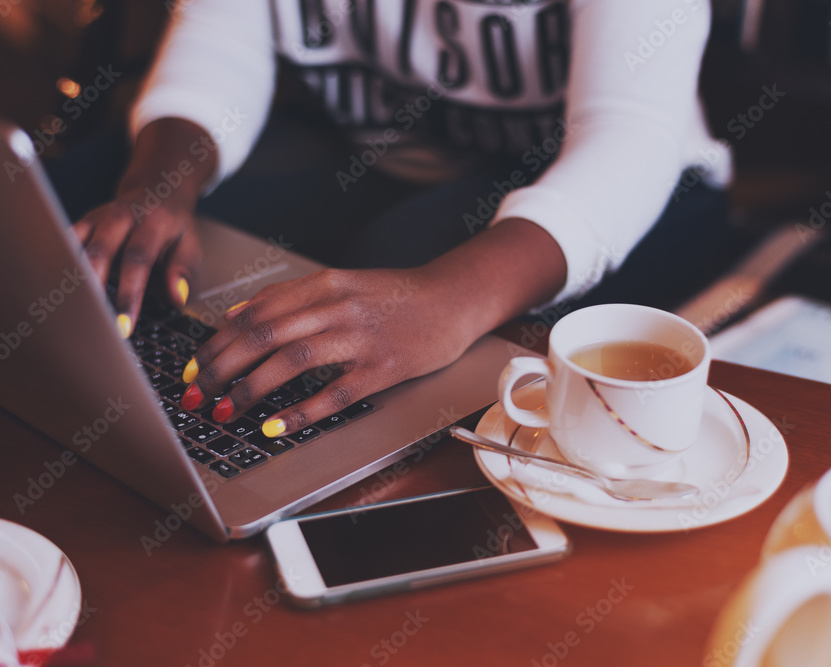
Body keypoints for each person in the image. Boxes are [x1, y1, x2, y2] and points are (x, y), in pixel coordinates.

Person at [70, 0, 731, 439]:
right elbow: (219, 44)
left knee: (401, 268)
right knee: (90, 187)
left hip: (621, 181)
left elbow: (629, 136)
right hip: (384, 158)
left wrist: (449, 299)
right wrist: (159, 188)